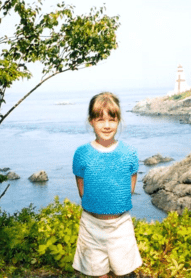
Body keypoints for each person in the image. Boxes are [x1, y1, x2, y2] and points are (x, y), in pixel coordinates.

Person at [72, 92, 142, 278]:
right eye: (100, 119)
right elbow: (83, 191)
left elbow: (129, 190)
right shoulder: (82, 154)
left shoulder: (129, 153)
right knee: (98, 275)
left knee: (123, 272)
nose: (107, 125)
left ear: (119, 120)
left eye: (112, 119)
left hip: (121, 225)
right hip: (91, 225)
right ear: (91, 121)